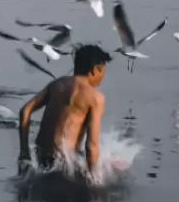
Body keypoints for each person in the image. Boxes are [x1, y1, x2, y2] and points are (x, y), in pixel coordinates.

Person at [18, 43, 111, 173]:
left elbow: (25, 111)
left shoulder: (57, 84)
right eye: (102, 73)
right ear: (95, 70)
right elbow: (92, 145)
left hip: (41, 158)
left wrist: (24, 152)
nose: (102, 78)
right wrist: (94, 180)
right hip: (63, 165)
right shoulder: (95, 98)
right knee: (114, 166)